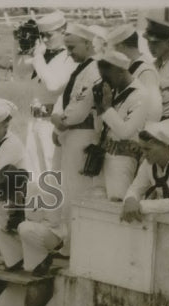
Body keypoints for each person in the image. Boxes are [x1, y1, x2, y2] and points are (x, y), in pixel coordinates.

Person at [51, 23, 102, 215]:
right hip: (72, 135)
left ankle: (74, 238)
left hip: (83, 134)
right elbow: (66, 99)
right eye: (67, 48)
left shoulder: (94, 70)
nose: (69, 53)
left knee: (76, 193)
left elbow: (76, 112)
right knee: (67, 189)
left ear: (88, 44)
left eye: (72, 47)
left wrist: (58, 122)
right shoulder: (83, 68)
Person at [0, 168, 66, 275]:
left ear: (22, 186)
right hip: (27, 233)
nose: (11, 198)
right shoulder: (14, 197)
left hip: (51, 235)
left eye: (12, 194)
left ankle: (42, 260)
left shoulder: (41, 191)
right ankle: (15, 259)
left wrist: (22, 221)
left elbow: (54, 222)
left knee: (24, 227)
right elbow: (2, 218)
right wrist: (7, 221)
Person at [94, 50, 151, 200]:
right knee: (98, 206)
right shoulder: (114, 92)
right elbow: (98, 129)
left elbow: (125, 132)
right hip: (104, 157)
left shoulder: (140, 95)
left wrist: (107, 108)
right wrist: (100, 108)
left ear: (120, 71)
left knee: (118, 203)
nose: (105, 81)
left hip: (123, 159)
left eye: (107, 76)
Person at [24, 10, 76, 176]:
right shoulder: (44, 55)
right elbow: (19, 71)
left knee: (52, 170)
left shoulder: (70, 56)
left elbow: (53, 85)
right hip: (35, 120)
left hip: (52, 123)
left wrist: (38, 57)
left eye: (49, 35)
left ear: (63, 30)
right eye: (42, 36)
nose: (45, 40)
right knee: (33, 171)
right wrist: (20, 45)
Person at [104, 24, 162, 122]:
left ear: (121, 47)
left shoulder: (145, 72)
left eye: (112, 50)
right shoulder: (130, 68)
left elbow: (154, 110)